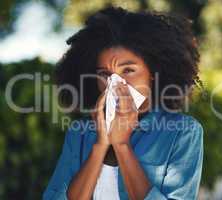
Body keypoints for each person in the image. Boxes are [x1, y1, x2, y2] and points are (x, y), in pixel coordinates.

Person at [43, 6, 204, 200]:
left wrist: (122, 145)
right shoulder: (80, 133)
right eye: (105, 74)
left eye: (128, 70)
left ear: (152, 74)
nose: (116, 83)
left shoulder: (183, 132)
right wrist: (100, 146)